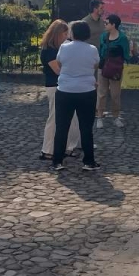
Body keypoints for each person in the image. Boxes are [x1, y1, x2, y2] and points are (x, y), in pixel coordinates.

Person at [52, 21, 100, 172]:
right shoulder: (92, 49)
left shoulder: (64, 47)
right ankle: (89, 161)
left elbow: (59, 63)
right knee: (86, 128)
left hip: (65, 90)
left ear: (73, 33)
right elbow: (95, 66)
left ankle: (57, 161)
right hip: (86, 90)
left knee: (61, 127)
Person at [39, 19, 80, 161]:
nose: (66, 37)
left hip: (66, 85)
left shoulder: (61, 48)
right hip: (54, 85)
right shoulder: (49, 50)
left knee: (71, 117)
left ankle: (68, 147)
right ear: (57, 34)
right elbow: (57, 70)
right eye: (64, 34)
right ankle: (48, 149)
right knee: (55, 117)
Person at [96, 14, 130, 129]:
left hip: (115, 69)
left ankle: (116, 116)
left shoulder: (122, 38)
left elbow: (126, 53)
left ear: (113, 25)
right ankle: (99, 116)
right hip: (103, 67)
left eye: (107, 23)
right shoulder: (103, 36)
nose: (105, 25)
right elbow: (101, 50)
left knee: (115, 94)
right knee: (101, 93)